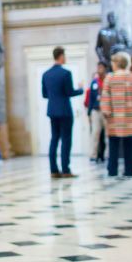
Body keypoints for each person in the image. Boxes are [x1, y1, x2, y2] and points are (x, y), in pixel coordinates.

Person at [41, 46, 83, 178]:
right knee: (66, 140)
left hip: (52, 110)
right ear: (61, 56)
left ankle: (53, 170)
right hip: (64, 111)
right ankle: (65, 169)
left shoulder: (46, 74)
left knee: (54, 139)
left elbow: (44, 94)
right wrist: (80, 90)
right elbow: (69, 92)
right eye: (65, 55)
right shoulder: (66, 73)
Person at [102, 52, 132, 177]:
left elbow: (105, 96)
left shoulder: (110, 77)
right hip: (131, 116)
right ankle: (129, 170)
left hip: (114, 117)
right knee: (129, 144)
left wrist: (106, 112)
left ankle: (112, 170)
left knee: (113, 144)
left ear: (116, 63)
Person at [85, 63, 107, 163]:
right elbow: (90, 99)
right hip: (96, 110)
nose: (99, 69)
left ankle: (107, 154)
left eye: (101, 67)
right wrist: (89, 113)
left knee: (108, 134)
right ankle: (93, 154)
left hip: (106, 110)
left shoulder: (108, 80)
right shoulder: (94, 82)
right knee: (95, 133)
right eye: (98, 67)